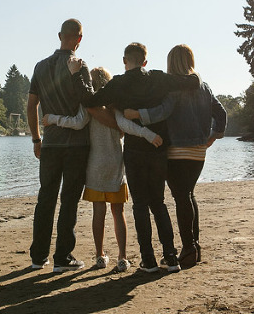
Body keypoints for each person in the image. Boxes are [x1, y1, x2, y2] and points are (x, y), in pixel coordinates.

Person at [83, 42, 199, 273]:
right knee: (159, 203)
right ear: (145, 61)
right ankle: (171, 257)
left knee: (140, 206)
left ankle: (148, 260)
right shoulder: (158, 78)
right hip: (158, 149)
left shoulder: (118, 82)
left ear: (125, 61)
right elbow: (193, 82)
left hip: (135, 151)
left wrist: (80, 78)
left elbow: (90, 101)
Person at [43, 67, 163, 273]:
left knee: (98, 212)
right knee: (119, 213)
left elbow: (77, 123)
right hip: (115, 164)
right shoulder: (114, 109)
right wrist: (148, 134)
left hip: (94, 165)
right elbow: (127, 126)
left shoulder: (88, 107)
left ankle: (99, 255)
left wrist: (53, 118)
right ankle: (122, 257)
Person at [125, 44, 226, 269]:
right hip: (199, 151)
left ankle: (188, 248)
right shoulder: (205, 86)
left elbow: (162, 112)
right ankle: (195, 246)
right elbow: (221, 113)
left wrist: (137, 114)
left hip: (177, 150)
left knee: (181, 197)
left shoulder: (173, 89)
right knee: (189, 195)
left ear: (172, 63)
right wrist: (212, 137)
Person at [27, 18, 93, 272]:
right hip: (76, 145)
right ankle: (62, 257)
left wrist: (36, 138)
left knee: (46, 198)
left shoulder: (41, 67)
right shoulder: (80, 66)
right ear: (79, 39)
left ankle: (38, 257)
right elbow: (87, 101)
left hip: (51, 145)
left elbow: (32, 104)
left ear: (59, 36)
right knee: (69, 201)